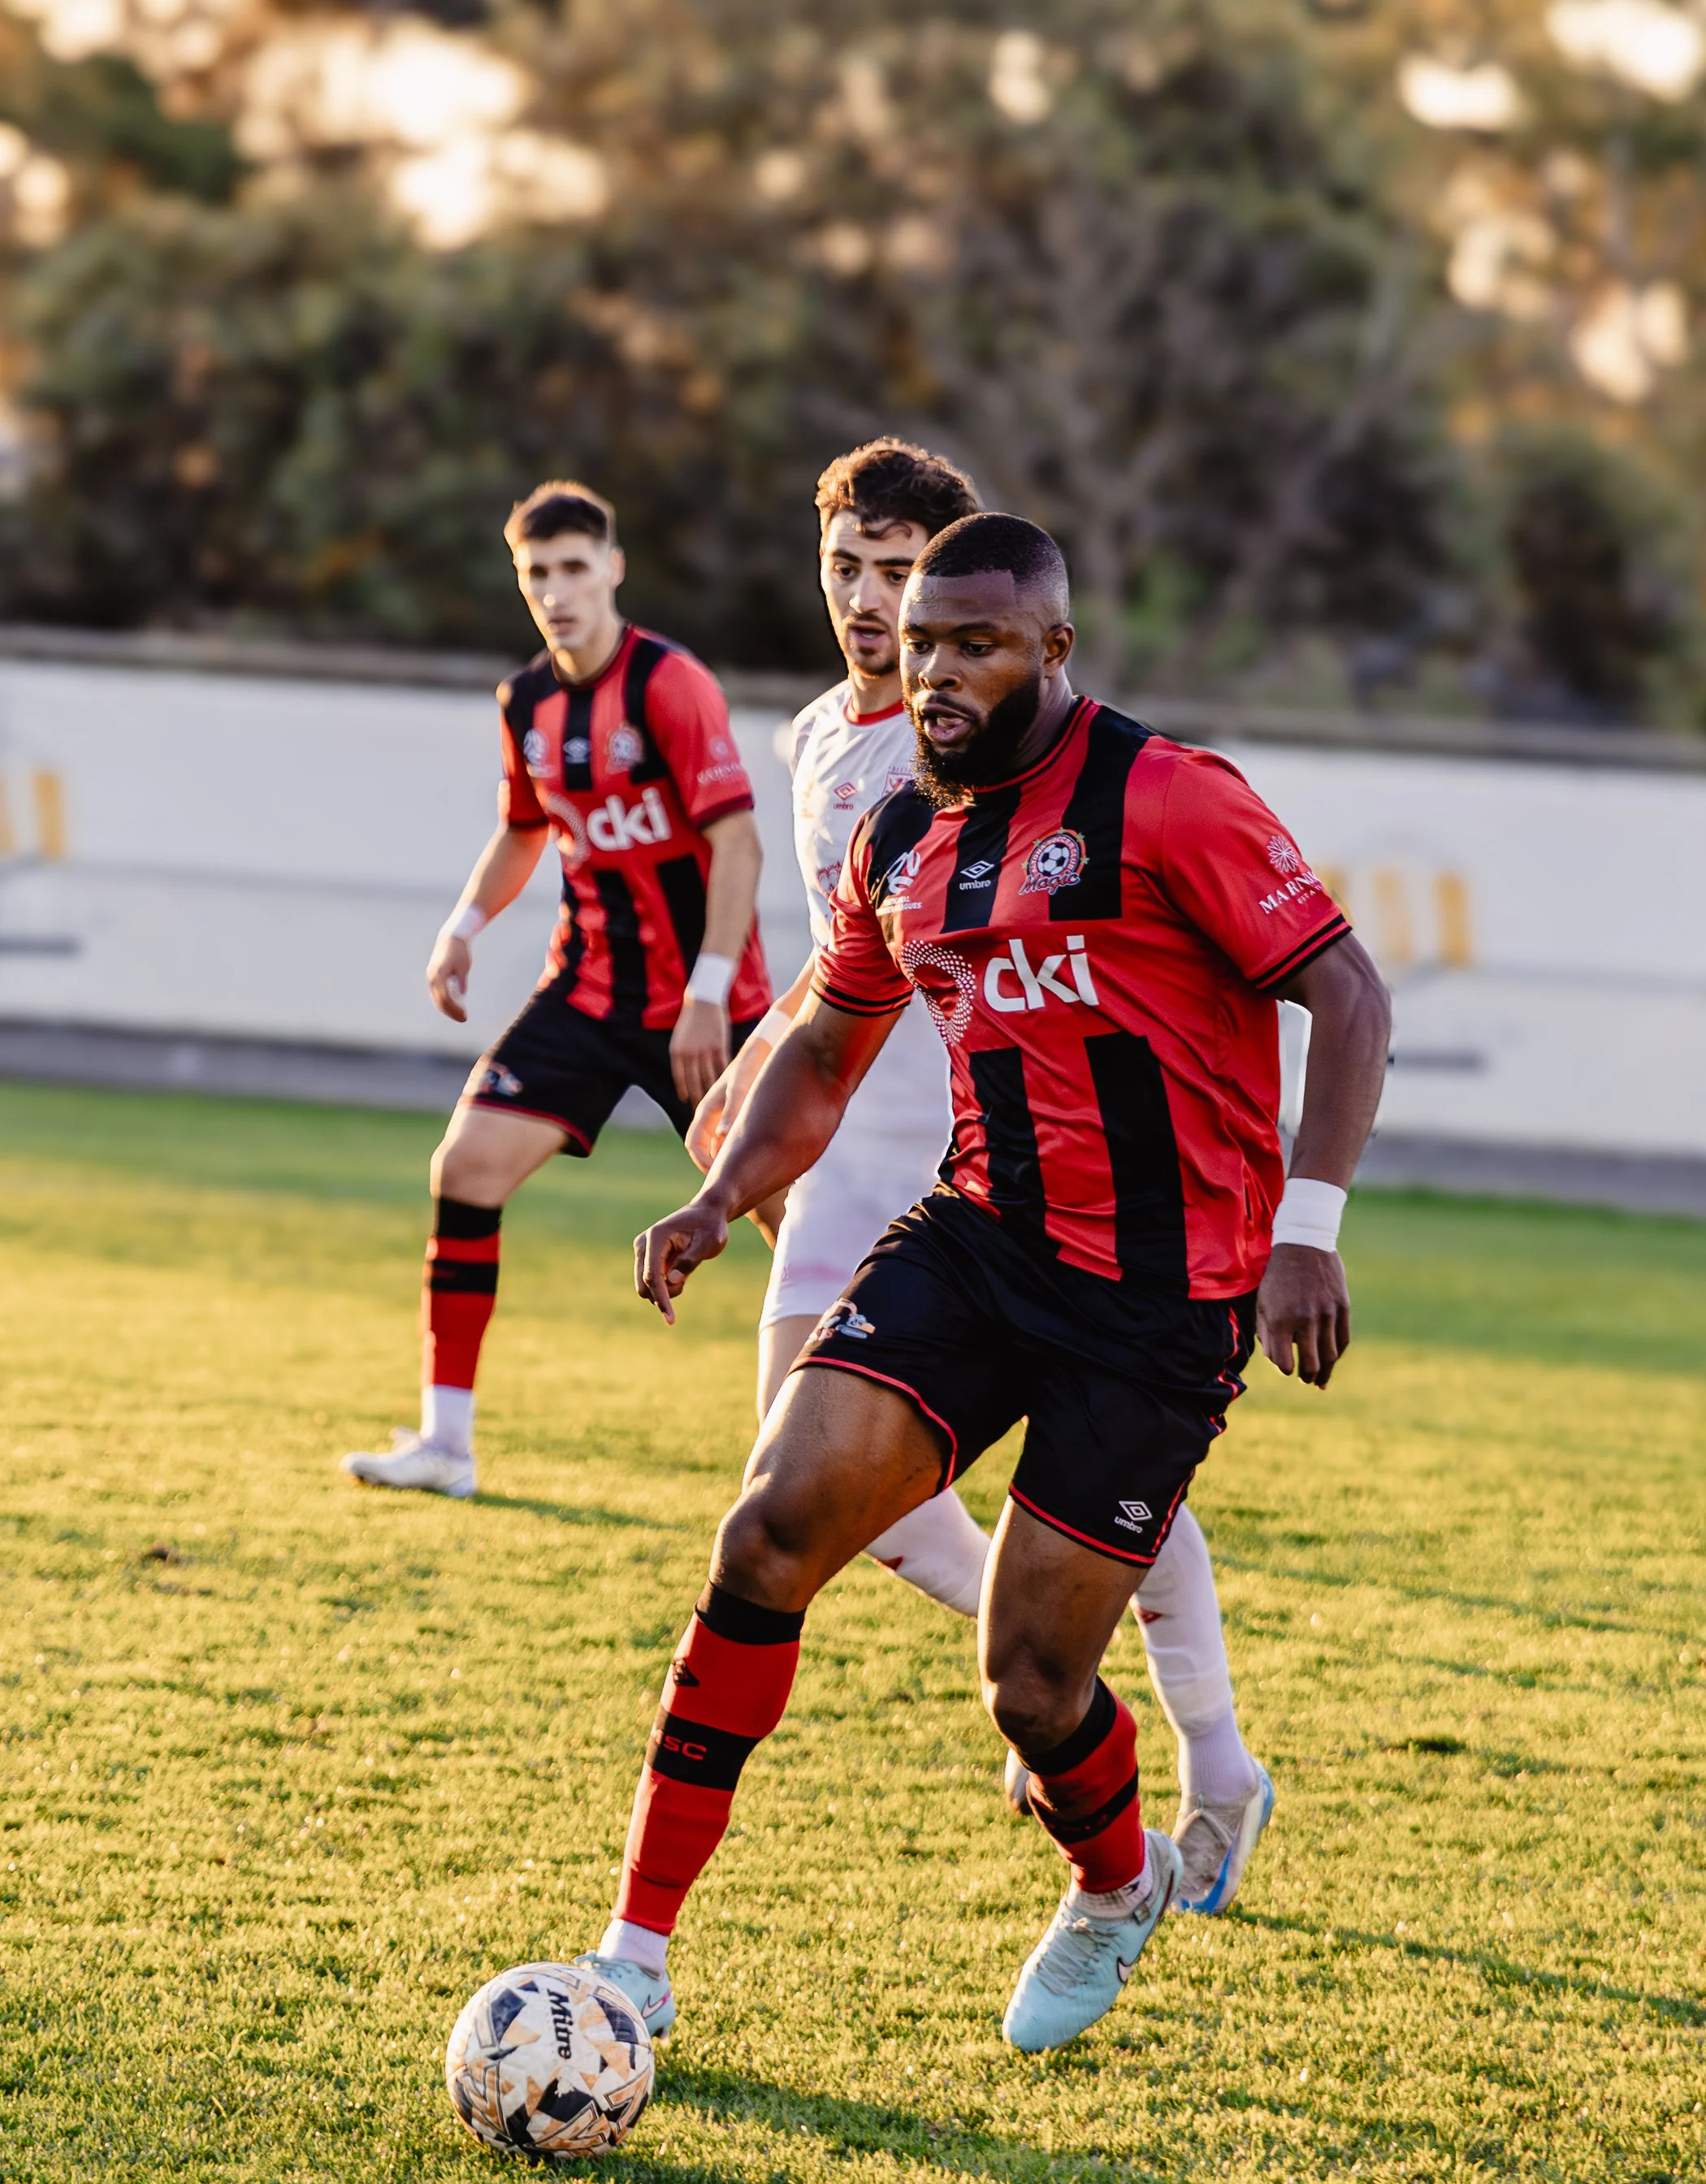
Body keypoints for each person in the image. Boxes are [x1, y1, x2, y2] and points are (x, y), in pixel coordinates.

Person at [569, 513, 1392, 2053]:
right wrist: (719, 1194)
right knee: (767, 1531)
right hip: (980, 1239)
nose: (935, 667)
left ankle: (1112, 1875)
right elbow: (824, 1045)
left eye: (975, 643)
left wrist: (1308, 1223)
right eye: (924, 640)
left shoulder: (1169, 798)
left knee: (1027, 1681)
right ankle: (631, 1956)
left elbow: (1345, 986)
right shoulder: (901, 834)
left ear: (1052, 650)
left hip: (1164, 1297)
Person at [690, 438, 1273, 1915]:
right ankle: (1062, 1677)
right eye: (848, 570)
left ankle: (1202, 1746)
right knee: (812, 1486)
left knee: (1068, 1470)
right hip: (853, 1144)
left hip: (986, 1151)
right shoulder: (824, 734)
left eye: (902, 573)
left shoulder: (977, 743)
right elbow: (848, 961)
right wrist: (754, 1071)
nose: (874, 602)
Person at [343, 480, 771, 1500]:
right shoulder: (526, 702)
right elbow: (525, 827)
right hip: (584, 993)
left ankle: (869, 1449)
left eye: (575, 567)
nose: (556, 590)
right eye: (537, 573)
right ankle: (447, 1445)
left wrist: (709, 991)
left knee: (795, 1222)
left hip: (702, 1008)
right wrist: (461, 929)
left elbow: (737, 843)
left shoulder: (671, 685)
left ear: (613, 569)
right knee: (465, 1170)